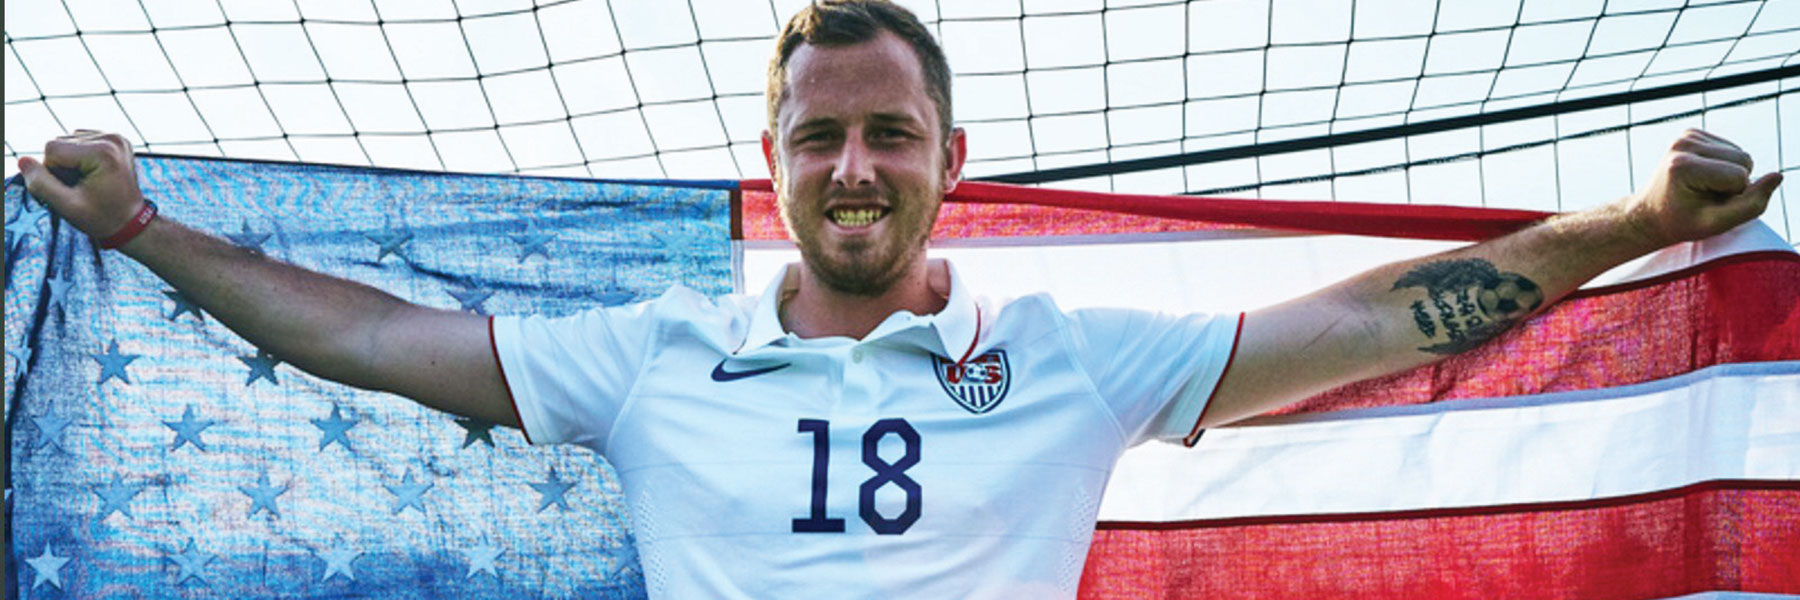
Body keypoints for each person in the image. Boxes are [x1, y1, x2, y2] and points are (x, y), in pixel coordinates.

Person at [17, 1, 1781, 597]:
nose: (853, 169)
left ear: (950, 153)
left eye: (888, 135)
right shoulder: (650, 355)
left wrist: (1626, 220)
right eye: (819, 139)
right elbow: (383, 345)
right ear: (769, 160)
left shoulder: (1069, 357)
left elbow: (1385, 321)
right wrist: (154, 228)